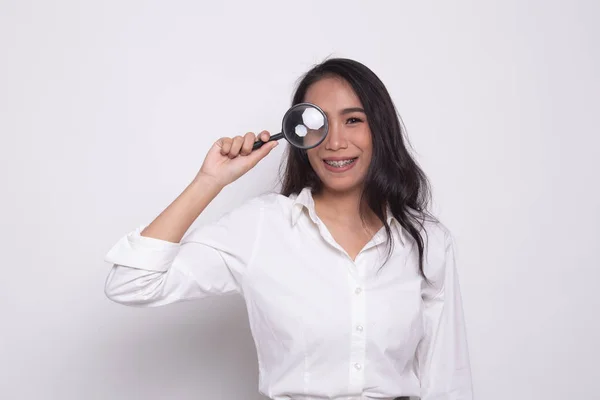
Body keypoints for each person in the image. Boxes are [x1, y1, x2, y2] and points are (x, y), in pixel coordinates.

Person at [104, 58, 473, 400]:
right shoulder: (263, 226)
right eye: (319, 124)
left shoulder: (426, 239)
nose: (335, 142)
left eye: (353, 120)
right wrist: (209, 181)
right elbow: (132, 282)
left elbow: (448, 380)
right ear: (300, 137)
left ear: (381, 129)